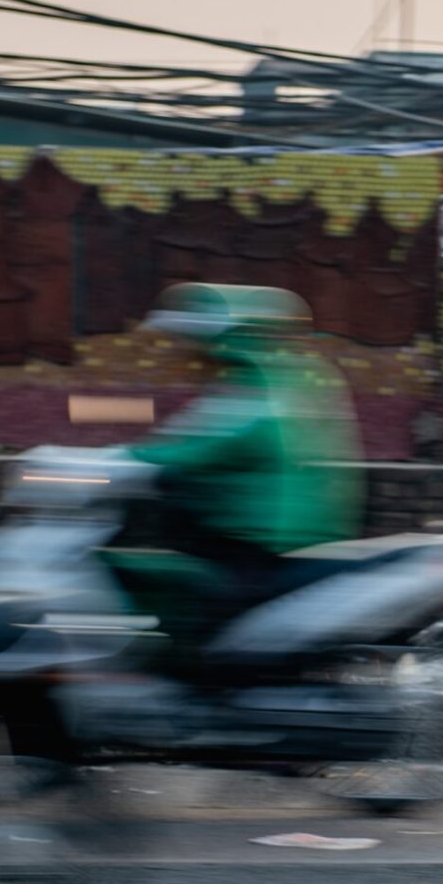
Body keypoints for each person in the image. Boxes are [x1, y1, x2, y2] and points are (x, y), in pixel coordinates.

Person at [112, 282, 361, 665]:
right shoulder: (262, 382)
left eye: (192, 344)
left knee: (187, 602)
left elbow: (202, 444)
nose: (186, 355)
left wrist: (124, 461)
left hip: (259, 542)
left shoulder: (260, 390)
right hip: (253, 536)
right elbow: (188, 437)